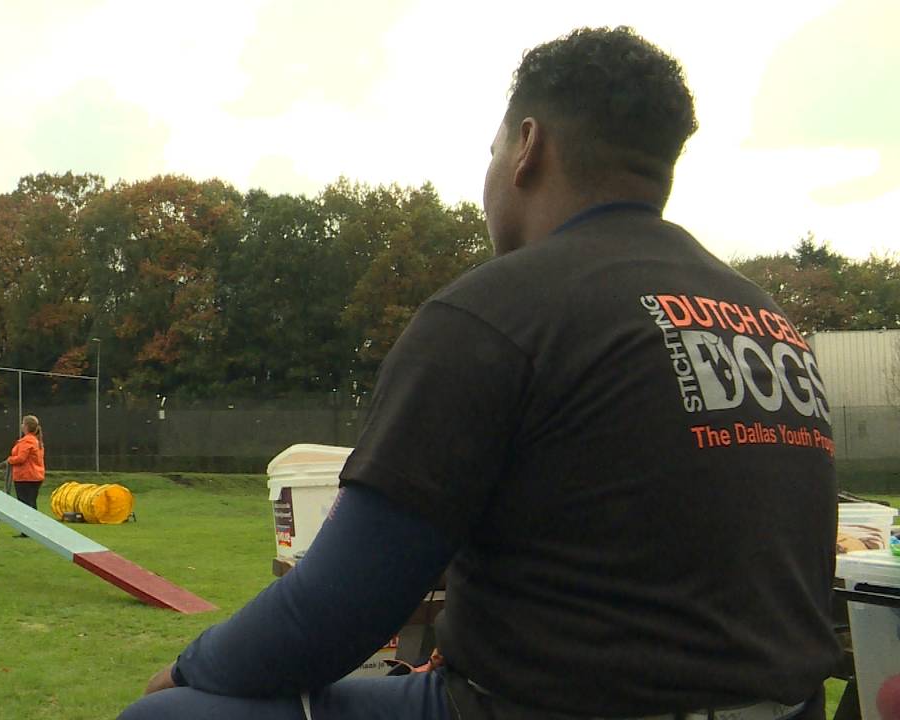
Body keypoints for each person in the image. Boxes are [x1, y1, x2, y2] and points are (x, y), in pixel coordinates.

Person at [120, 26, 839, 720]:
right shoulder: (766, 320)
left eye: (492, 148)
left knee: (171, 715)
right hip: (786, 705)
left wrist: (187, 669)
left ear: (527, 147)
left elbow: (336, 609)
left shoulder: (496, 313)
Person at [7, 415, 46, 531]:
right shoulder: (36, 441)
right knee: (31, 503)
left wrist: (10, 460)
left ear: (27, 426)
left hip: (25, 477)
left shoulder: (27, 441)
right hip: (36, 476)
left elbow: (21, 458)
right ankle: (33, 529)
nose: (21, 425)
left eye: (23, 423)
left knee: (25, 505)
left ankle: (28, 530)